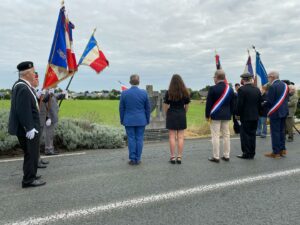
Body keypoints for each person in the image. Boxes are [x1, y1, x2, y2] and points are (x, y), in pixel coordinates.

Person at [8, 61, 46, 188]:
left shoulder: (24, 86)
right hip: (28, 129)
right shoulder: (22, 87)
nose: (35, 74)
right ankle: (28, 180)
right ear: (28, 73)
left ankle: (32, 175)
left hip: (29, 127)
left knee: (32, 153)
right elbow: (23, 110)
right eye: (33, 72)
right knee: (31, 153)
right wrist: (29, 128)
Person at [119, 74, 150, 165]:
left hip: (128, 120)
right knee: (139, 139)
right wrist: (147, 119)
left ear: (130, 82)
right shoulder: (144, 93)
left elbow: (121, 108)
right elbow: (147, 108)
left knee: (131, 139)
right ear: (139, 82)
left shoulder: (124, 93)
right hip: (141, 120)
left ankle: (132, 159)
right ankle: (138, 158)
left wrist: (122, 119)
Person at [205, 70, 234, 163]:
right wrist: (231, 113)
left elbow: (208, 104)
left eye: (214, 77)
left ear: (217, 77)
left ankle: (216, 157)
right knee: (226, 135)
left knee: (215, 136)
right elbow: (233, 103)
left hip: (215, 115)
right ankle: (226, 155)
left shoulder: (213, 89)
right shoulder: (230, 89)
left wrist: (207, 115)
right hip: (226, 115)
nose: (214, 79)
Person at [163, 74, 190, 164]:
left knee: (171, 137)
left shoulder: (169, 92)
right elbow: (187, 106)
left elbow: (166, 106)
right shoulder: (185, 92)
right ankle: (179, 157)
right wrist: (184, 112)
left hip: (171, 114)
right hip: (181, 114)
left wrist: (168, 113)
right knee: (181, 137)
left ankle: (172, 157)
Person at [236, 73, 262, 159]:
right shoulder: (257, 89)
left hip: (246, 116)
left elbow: (240, 104)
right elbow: (259, 104)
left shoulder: (241, 90)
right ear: (251, 79)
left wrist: (237, 114)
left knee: (245, 136)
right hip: (255, 116)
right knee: (252, 135)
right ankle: (252, 153)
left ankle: (246, 153)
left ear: (243, 80)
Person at [264, 71, 289, 158]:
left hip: (275, 112)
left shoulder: (273, 86)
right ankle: (282, 150)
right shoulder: (285, 86)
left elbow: (270, 101)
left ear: (272, 77)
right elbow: (287, 99)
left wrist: (262, 104)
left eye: (268, 77)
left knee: (275, 132)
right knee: (282, 131)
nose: (268, 79)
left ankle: (276, 152)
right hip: (284, 111)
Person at [40, 88, 67, 155]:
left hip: (52, 117)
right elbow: (44, 105)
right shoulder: (45, 92)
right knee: (48, 134)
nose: (56, 85)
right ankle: (48, 150)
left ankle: (50, 148)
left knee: (50, 134)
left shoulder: (51, 92)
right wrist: (47, 117)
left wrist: (63, 94)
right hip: (49, 118)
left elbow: (56, 97)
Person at [31, 73, 49, 168]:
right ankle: (36, 161)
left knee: (38, 142)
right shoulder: (31, 90)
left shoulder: (35, 90)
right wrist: (38, 96)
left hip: (39, 120)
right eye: (36, 79)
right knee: (35, 142)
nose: (38, 81)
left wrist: (47, 95)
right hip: (34, 121)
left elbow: (43, 103)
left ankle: (38, 159)